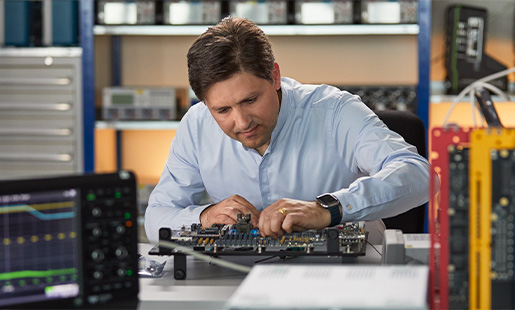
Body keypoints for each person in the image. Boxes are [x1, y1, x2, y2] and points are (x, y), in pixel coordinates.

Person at [144, 17, 433, 243]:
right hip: (236, 277)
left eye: (250, 100)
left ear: (275, 76)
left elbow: (419, 175)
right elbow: (157, 216)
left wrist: (329, 209)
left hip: (345, 278)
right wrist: (205, 216)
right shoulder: (196, 125)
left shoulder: (334, 111)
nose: (242, 122)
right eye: (223, 110)